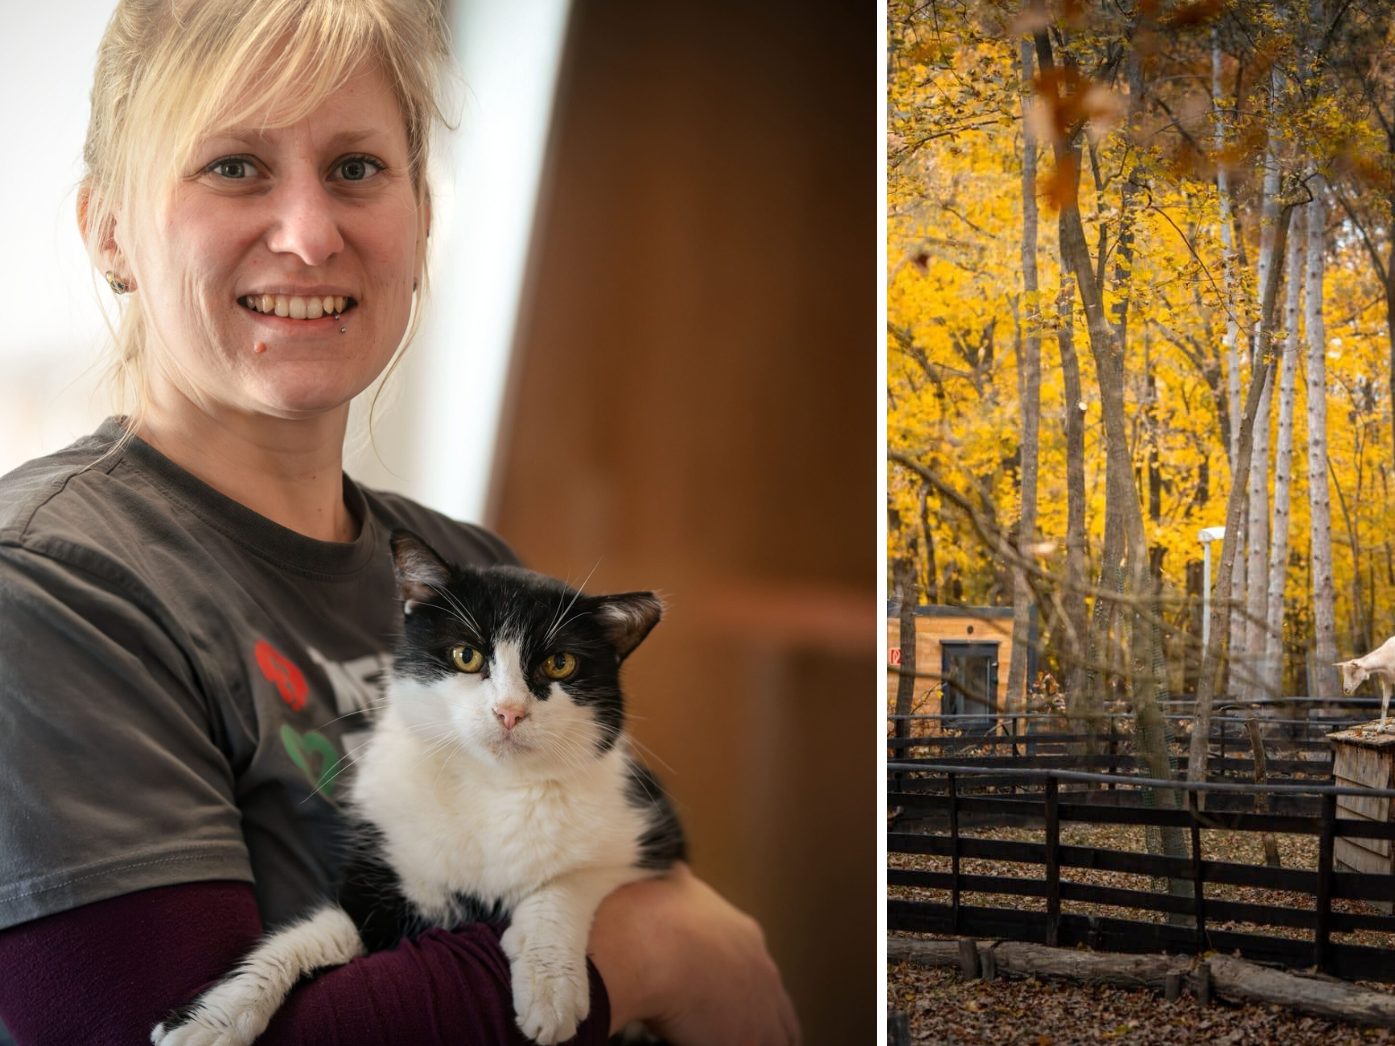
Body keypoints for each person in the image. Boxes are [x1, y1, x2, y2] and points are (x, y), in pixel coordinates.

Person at [0, 1, 800, 1043]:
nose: (309, 233)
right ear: (110, 228)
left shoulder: (474, 570)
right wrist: (660, 948)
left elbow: (619, 865)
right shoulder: (52, 587)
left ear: (420, 216)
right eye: (235, 165)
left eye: (357, 169)